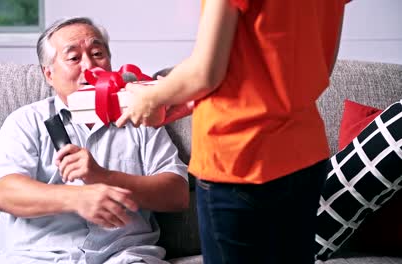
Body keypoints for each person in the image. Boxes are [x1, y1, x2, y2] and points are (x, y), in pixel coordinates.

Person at [116, 1, 351, 263]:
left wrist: (151, 98)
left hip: (239, 156)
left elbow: (205, 72)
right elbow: (316, 64)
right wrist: (195, 99)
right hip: (304, 156)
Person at [0, 17, 189, 264]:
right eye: (73, 58)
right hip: (34, 257)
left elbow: (177, 194)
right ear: (48, 73)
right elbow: (2, 192)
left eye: (97, 53)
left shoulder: (141, 116)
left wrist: (103, 177)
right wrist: (77, 197)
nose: (90, 67)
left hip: (122, 257)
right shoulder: (25, 121)